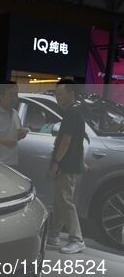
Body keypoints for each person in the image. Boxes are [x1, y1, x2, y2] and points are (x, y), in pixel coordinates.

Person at [47, 80, 86, 254]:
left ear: (71, 93)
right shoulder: (75, 112)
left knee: (65, 201)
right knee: (60, 200)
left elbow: (67, 140)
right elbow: (79, 141)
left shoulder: (72, 113)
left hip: (67, 165)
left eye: (60, 94)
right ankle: (54, 234)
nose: (58, 98)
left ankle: (77, 239)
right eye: (56, 94)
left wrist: (56, 162)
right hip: (70, 164)